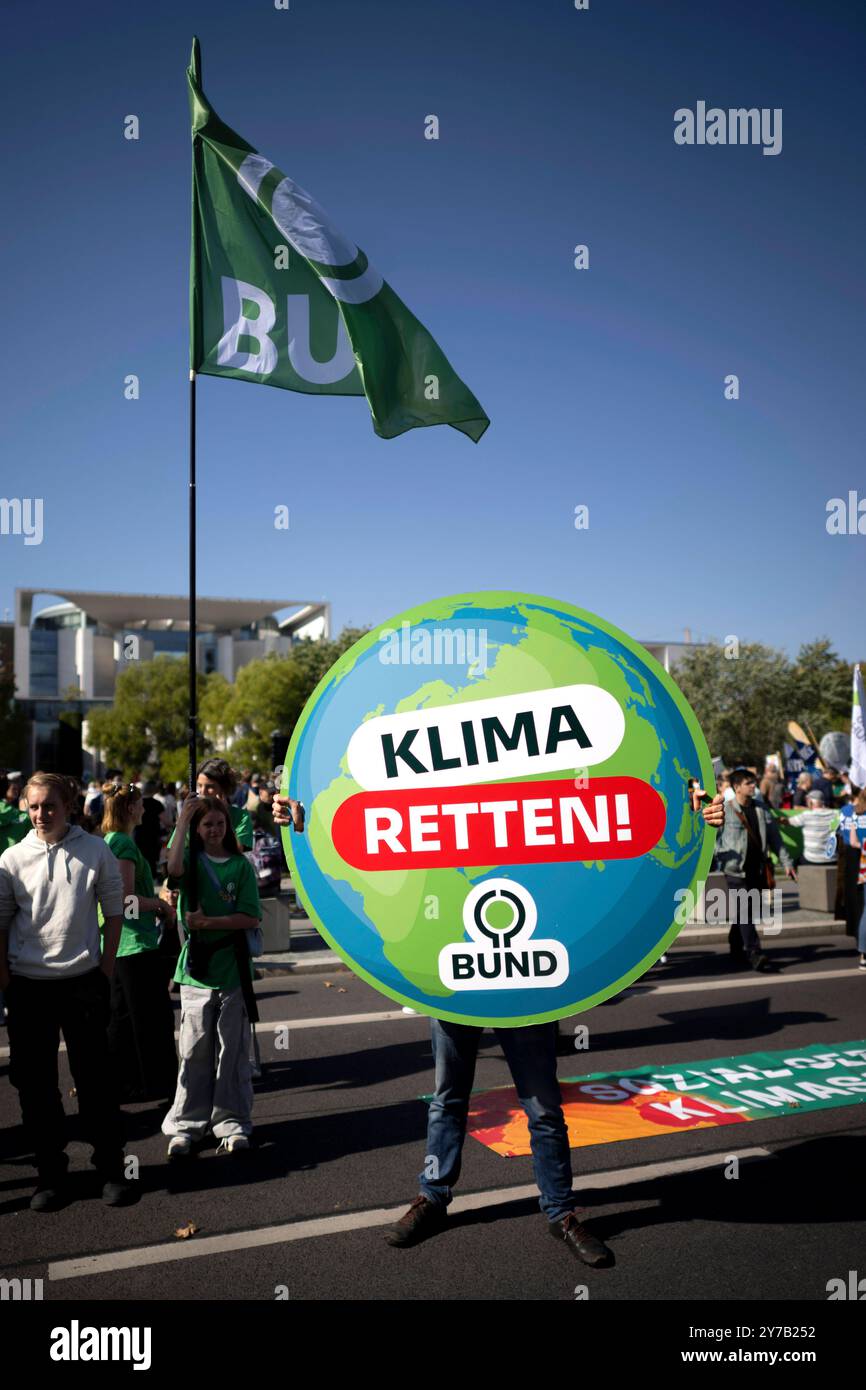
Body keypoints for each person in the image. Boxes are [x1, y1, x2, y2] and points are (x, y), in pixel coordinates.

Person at [273, 787, 725, 1264]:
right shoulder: (424, 800)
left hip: (525, 983)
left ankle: (561, 1212)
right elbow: (364, 845)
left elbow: (617, 838)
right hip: (453, 980)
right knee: (448, 1099)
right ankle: (433, 1196)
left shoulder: (535, 793)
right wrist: (299, 826)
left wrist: (694, 817)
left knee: (543, 1107)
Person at [0, 772, 137, 1210]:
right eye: (34, 806)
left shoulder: (95, 849)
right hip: (27, 988)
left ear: (69, 806)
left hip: (83, 984)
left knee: (95, 1081)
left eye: (49, 806)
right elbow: (1, 923)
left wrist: (106, 968)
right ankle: (50, 1175)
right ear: (26, 807)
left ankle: (112, 1169)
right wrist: (6, 980)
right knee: (36, 1088)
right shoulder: (10, 859)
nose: (41, 814)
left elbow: (114, 910)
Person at [161, 796, 262, 1156]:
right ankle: (187, 1125)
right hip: (196, 973)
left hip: (233, 970)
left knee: (231, 1052)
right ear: (198, 830)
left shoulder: (240, 866)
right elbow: (171, 870)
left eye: (220, 823)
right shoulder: (190, 859)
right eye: (207, 825)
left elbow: (251, 917)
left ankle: (232, 1122)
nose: (215, 830)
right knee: (193, 1051)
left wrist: (208, 923)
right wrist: (182, 822)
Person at [100, 785, 179, 1102]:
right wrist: (159, 905)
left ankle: (124, 1083)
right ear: (131, 808)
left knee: (121, 1017)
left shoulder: (112, 842)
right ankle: (156, 1083)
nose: (145, 811)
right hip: (134, 944)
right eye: (140, 806)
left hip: (121, 943)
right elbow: (125, 900)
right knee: (149, 1019)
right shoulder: (122, 844)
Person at [715, 767, 796, 970]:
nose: (753, 786)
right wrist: (721, 854)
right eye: (748, 783)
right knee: (744, 909)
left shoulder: (761, 808)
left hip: (757, 869)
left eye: (754, 782)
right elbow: (712, 838)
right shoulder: (725, 809)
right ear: (736, 787)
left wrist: (786, 863)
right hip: (735, 870)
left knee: (747, 910)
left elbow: (775, 838)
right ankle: (754, 953)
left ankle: (735, 945)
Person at [787, 792, 841, 865]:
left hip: (811, 859)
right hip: (832, 859)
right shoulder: (836, 814)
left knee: (793, 863)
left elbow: (787, 821)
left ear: (810, 802)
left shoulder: (806, 815)